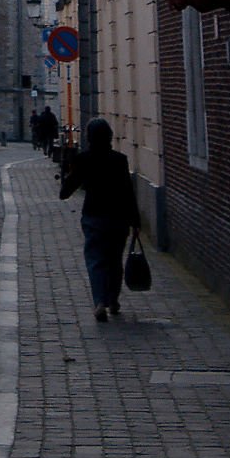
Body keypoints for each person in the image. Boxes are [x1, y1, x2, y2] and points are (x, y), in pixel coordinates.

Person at [59, 115, 139, 319]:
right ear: (109, 136)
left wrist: (67, 171)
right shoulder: (120, 160)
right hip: (118, 218)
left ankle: (100, 301)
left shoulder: (83, 159)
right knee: (114, 260)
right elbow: (128, 191)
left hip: (94, 216)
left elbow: (66, 192)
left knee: (96, 260)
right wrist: (135, 220)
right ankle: (113, 300)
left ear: (89, 137)